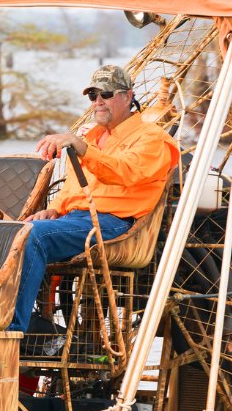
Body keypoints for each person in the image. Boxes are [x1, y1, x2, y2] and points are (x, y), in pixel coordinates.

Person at [10, 65, 180, 331]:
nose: (98, 101)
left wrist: (82, 147)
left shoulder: (151, 138)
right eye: (93, 95)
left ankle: (12, 332)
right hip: (76, 220)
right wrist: (54, 209)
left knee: (33, 235)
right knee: (8, 232)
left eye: (106, 93)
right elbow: (72, 188)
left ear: (127, 96)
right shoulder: (92, 137)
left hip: (115, 224)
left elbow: (124, 172)